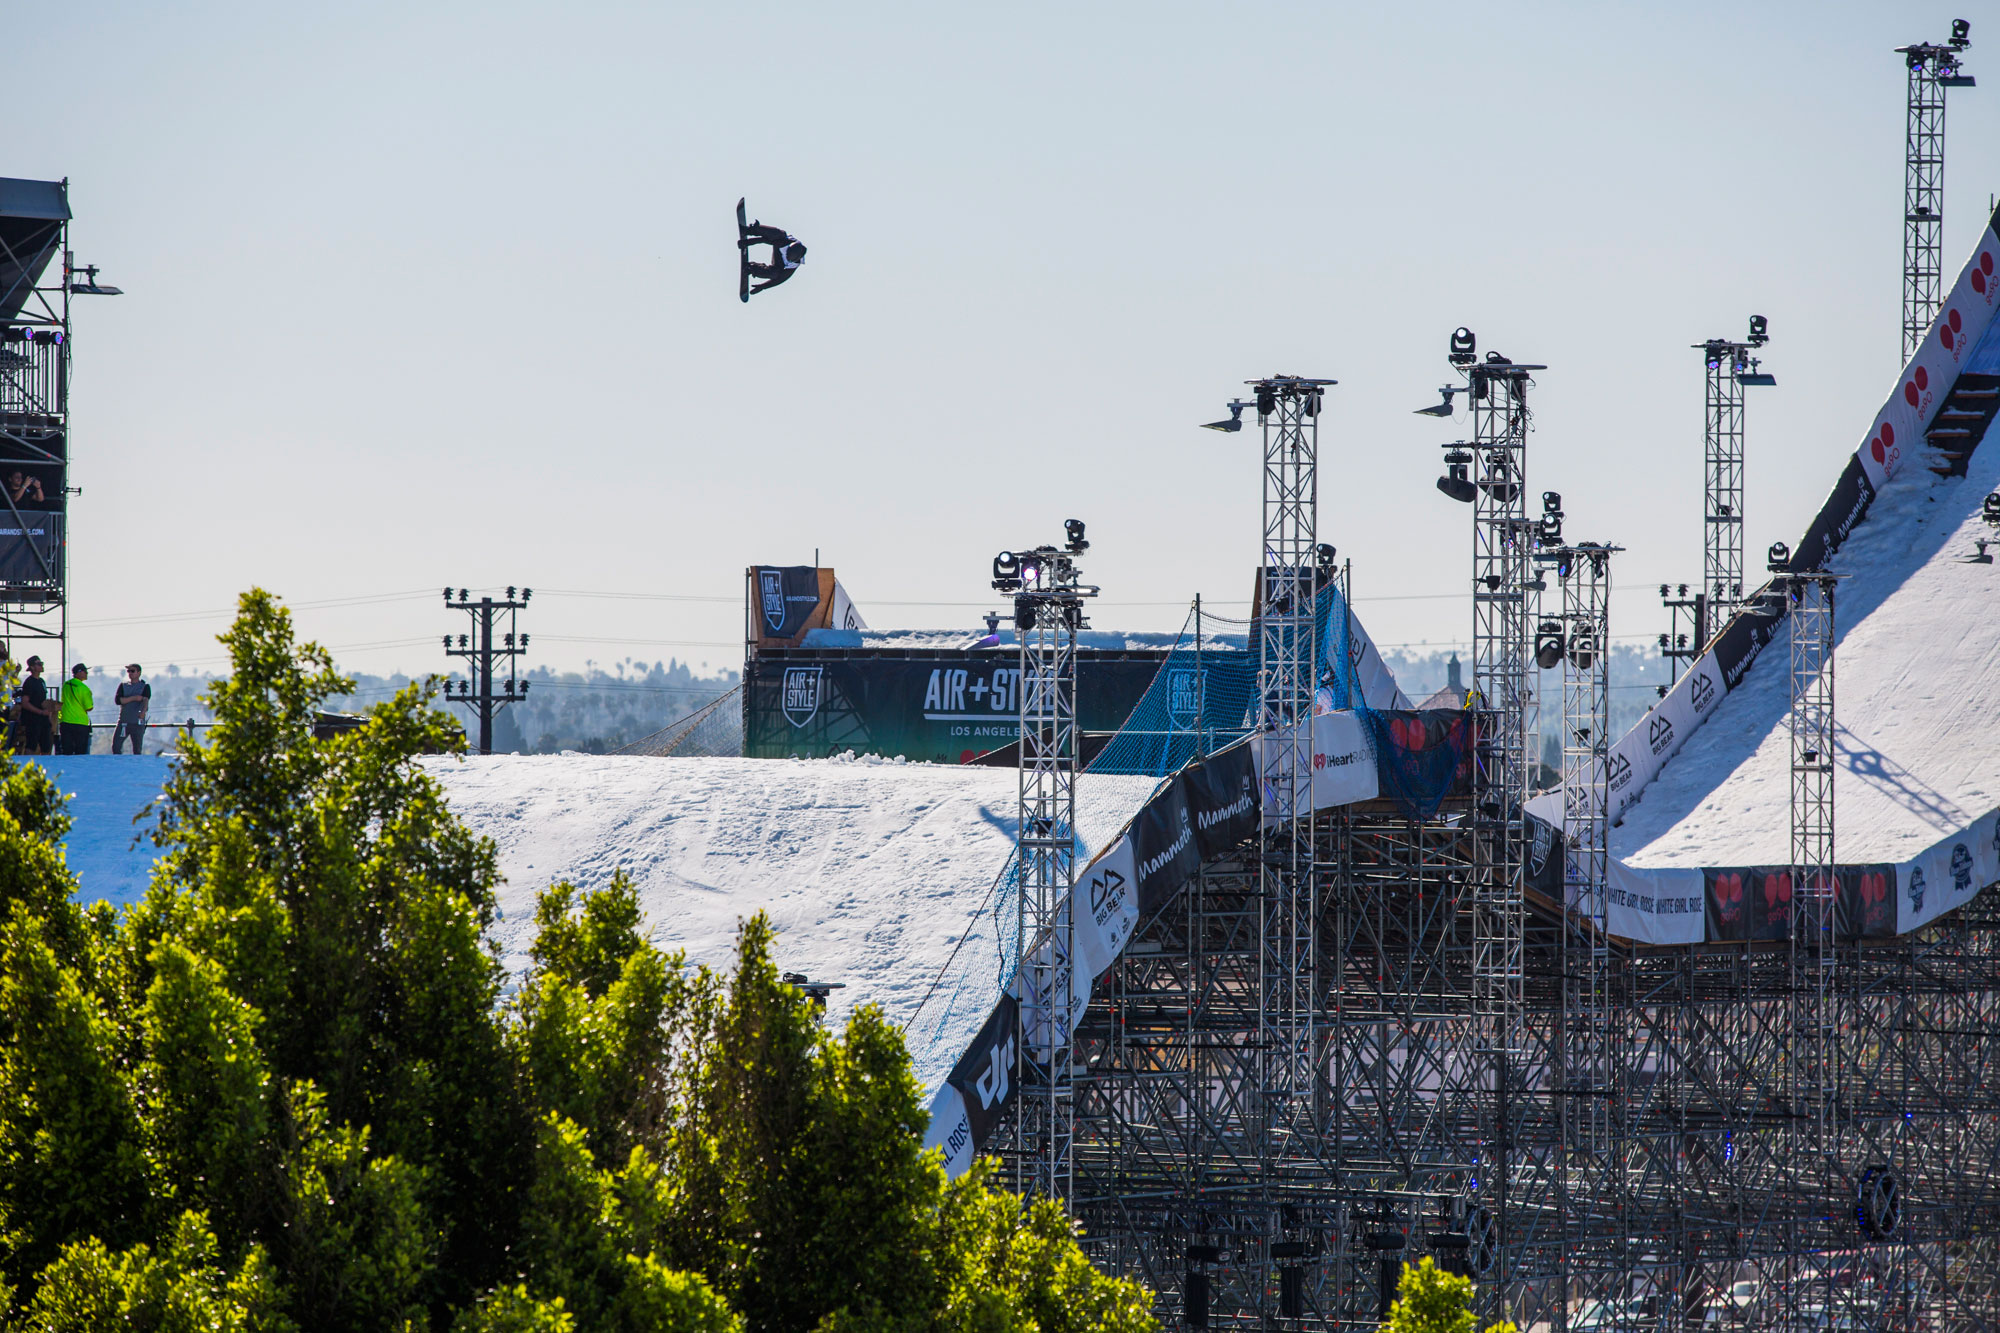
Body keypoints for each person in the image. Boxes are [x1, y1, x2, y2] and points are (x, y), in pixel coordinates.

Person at [740, 220, 807, 295]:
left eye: (789, 259)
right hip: (778, 245)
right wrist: (747, 242)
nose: (787, 257)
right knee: (778, 234)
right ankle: (751, 230)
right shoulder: (785, 242)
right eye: (787, 255)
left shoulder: (795, 265)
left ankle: (752, 268)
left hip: (779, 262)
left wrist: (762, 287)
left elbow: (780, 280)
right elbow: (764, 240)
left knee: (775, 274)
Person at [113, 662, 150, 755]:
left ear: (139, 673)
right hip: (124, 722)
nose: (130, 673)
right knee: (116, 746)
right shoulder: (123, 686)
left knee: (137, 749)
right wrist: (134, 698)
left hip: (137, 723)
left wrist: (143, 712)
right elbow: (118, 701)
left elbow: (145, 700)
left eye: (132, 671)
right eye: (128, 671)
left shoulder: (145, 687)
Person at [18, 656, 52, 755]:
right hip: (33, 719)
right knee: (31, 744)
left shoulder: (41, 681)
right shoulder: (29, 682)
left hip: (43, 719)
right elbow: (25, 703)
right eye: (39, 664)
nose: (41, 666)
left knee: (46, 746)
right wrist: (40, 712)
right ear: (32, 667)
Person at [58, 662, 92, 755]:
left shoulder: (66, 684)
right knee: (80, 751)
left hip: (65, 720)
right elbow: (89, 707)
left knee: (66, 751)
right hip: (80, 722)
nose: (86, 673)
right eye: (85, 671)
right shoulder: (84, 688)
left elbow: (63, 700)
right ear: (79, 672)